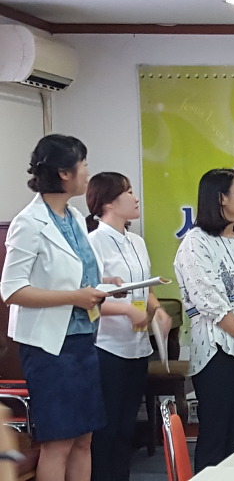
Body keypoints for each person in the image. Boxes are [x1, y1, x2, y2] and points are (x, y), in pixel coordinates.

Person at [0, 134, 110, 481]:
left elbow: (73, 274)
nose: (88, 172)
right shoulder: (29, 222)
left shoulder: (74, 216)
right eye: (83, 165)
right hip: (50, 347)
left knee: (84, 438)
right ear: (64, 173)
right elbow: (12, 289)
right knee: (58, 442)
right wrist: (73, 297)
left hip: (83, 341)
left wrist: (103, 284)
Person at [173, 168, 234, 472]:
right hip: (216, 350)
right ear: (221, 198)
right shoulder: (195, 243)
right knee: (216, 432)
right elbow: (209, 300)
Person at [85, 172, 171, 481]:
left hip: (137, 347)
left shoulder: (136, 241)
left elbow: (145, 288)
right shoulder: (92, 243)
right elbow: (89, 298)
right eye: (128, 192)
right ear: (108, 203)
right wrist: (124, 310)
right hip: (107, 347)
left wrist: (157, 310)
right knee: (106, 430)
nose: (136, 198)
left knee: (126, 429)